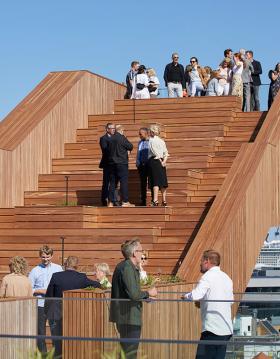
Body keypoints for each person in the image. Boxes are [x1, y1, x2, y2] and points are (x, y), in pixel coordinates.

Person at [110, 238, 157, 359]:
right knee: (130, 353)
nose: (143, 254)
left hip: (127, 316)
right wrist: (148, 292)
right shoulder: (127, 268)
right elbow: (134, 294)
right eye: (141, 251)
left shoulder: (127, 266)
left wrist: (144, 297)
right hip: (128, 317)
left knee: (126, 352)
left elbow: (131, 293)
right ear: (135, 253)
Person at [45, 256, 101, 358]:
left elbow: (49, 296)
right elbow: (97, 285)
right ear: (76, 266)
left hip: (56, 314)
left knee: (57, 344)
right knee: (73, 342)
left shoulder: (56, 276)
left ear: (65, 265)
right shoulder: (81, 277)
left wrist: (46, 313)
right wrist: (103, 281)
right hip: (75, 315)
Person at [182, 250, 233, 359]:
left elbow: (196, 295)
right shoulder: (227, 278)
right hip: (226, 329)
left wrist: (185, 297)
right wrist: (203, 303)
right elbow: (230, 301)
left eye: (201, 261)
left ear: (207, 261)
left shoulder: (208, 276)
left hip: (212, 329)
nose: (200, 263)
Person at [29, 245, 63, 354]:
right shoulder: (35, 270)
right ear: (40, 256)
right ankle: (42, 355)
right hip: (40, 304)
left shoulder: (58, 268)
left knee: (56, 331)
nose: (45, 259)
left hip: (54, 304)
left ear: (52, 256)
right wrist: (41, 291)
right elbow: (30, 288)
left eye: (48, 257)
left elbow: (61, 285)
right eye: (43, 257)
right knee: (40, 332)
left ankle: (56, 354)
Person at [107, 126, 134, 207]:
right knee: (123, 182)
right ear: (121, 130)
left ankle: (110, 202)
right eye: (123, 131)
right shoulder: (122, 138)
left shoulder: (110, 138)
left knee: (112, 183)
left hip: (112, 164)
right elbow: (130, 146)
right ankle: (125, 201)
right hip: (122, 163)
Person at [148, 125, 169, 206]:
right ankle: (164, 200)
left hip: (154, 161)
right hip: (162, 162)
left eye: (150, 131)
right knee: (163, 181)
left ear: (152, 132)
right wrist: (164, 161)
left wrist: (160, 160)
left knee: (155, 181)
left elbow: (154, 151)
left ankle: (155, 200)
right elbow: (166, 153)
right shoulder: (162, 141)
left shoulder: (151, 140)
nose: (149, 133)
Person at [99, 123, 116, 206]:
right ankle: (104, 199)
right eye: (111, 128)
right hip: (107, 164)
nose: (113, 129)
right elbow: (105, 150)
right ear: (107, 129)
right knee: (106, 182)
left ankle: (112, 200)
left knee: (114, 182)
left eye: (114, 128)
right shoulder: (103, 138)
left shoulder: (116, 138)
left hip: (115, 164)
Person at [136, 128, 150, 206]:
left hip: (149, 164)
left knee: (151, 182)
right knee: (143, 183)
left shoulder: (151, 141)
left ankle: (153, 200)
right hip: (142, 165)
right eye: (139, 134)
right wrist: (137, 161)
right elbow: (138, 153)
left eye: (141, 134)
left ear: (146, 133)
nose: (139, 135)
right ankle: (143, 201)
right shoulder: (140, 142)